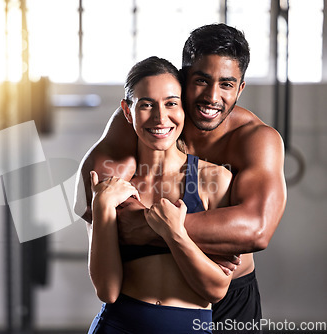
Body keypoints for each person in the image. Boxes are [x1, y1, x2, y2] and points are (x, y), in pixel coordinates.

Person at [76, 24, 287, 334]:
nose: (212, 97)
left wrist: (155, 226)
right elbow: (93, 199)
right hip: (144, 302)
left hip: (232, 292)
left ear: (240, 88)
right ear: (183, 77)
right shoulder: (147, 118)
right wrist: (183, 232)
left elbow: (255, 231)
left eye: (226, 84)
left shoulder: (255, 139)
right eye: (201, 81)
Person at [87, 56, 233, 334]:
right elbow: (108, 290)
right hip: (118, 325)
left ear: (184, 108)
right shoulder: (111, 187)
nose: (160, 117)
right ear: (128, 112)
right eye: (146, 105)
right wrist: (102, 207)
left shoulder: (214, 179)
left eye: (171, 103)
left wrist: (174, 233)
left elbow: (216, 289)